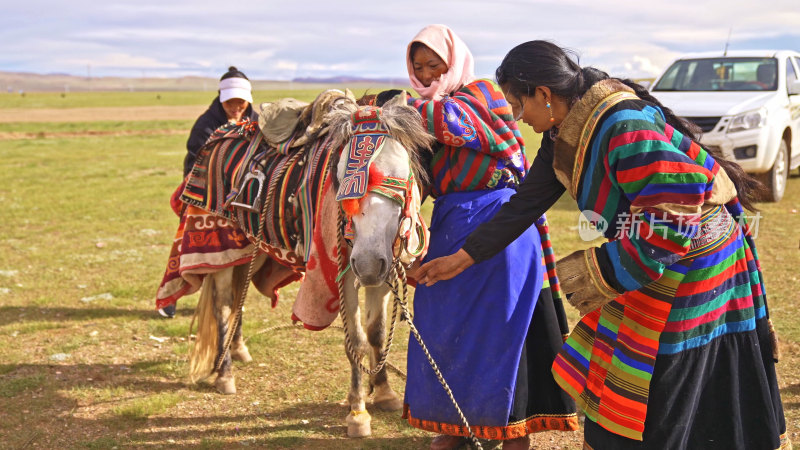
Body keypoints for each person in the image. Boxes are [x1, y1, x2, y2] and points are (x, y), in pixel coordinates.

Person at [415, 40, 789, 449]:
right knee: (625, 373)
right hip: (654, 252)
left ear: (544, 94)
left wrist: (604, 272)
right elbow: (524, 205)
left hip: (696, 259)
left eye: (518, 106)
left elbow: (675, 206)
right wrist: (464, 258)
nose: (519, 119)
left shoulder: (619, 126)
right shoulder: (564, 133)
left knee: (663, 378)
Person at [401, 25, 578, 450]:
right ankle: (456, 425)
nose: (426, 76)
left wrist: (389, 109)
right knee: (447, 330)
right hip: (448, 229)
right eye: (418, 68)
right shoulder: (422, 113)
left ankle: (513, 431)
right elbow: (414, 180)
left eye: (434, 66)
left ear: (454, 62)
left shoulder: (482, 95)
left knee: (504, 331)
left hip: (503, 229)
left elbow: (453, 125)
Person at [158, 66, 257, 319]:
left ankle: (229, 295)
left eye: (241, 102)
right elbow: (197, 160)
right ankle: (174, 292)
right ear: (221, 99)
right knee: (188, 243)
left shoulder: (256, 121)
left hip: (238, 196)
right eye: (231, 102)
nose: (236, 107)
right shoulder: (206, 123)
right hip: (201, 192)